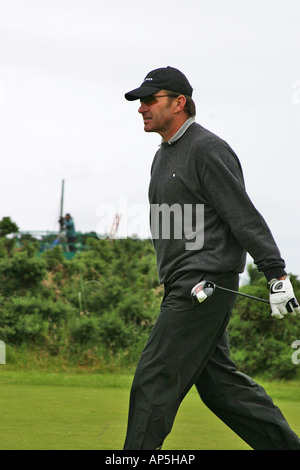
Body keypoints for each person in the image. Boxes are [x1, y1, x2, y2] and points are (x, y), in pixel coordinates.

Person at [123, 66, 300, 450]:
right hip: (184, 284)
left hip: (203, 284)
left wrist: (275, 273)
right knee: (221, 388)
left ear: (179, 103)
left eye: (150, 100)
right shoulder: (163, 156)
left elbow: (242, 214)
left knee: (154, 380)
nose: (141, 108)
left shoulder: (207, 149)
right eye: (140, 101)